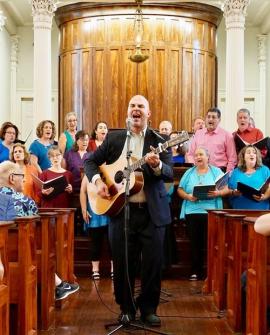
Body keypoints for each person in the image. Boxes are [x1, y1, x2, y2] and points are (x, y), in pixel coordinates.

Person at [84, 95, 173, 327]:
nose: (136, 110)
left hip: (152, 212)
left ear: (148, 114)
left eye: (140, 107)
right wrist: (97, 182)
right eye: (132, 106)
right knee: (123, 262)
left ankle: (149, 309)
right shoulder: (113, 139)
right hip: (120, 211)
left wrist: (157, 165)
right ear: (127, 112)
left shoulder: (159, 140)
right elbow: (90, 162)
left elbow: (169, 173)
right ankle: (126, 308)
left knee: (152, 264)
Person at [0, 161, 79, 300]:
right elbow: (35, 228)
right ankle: (58, 286)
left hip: (4, 258)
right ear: (12, 178)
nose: (24, 179)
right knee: (43, 249)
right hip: (19, 257)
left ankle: (60, 285)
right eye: (21, 175)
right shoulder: (23, 201)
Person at [177, 147, 229, 280]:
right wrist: (188, 197)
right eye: (196, 155)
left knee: (210, 243)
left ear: (208, 157)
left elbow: (226, 189)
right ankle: (195, 271)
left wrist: (218, 193)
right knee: (195, 243)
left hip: (211, 212)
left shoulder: (216, 171)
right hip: (192, 212)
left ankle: (210, 272)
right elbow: (180, 190)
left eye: (201, 155)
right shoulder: (189, 172)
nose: (198, 157)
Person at [80, 175, 113, 279]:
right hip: (93, 210)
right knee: (95, 241)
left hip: (109, 208)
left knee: (112, 242)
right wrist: (84, 210)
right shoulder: (87, 175)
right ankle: (95, 270)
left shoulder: (108, 171)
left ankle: (114, 269)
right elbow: (82, 191)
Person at [186, 108, 237, 172]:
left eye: (213, 117)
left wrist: (228, 174)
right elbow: (190, 154)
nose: (210, 119)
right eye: (208, 117)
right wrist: (194, 168)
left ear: (219, 120)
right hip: (199, 170)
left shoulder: (227, 135)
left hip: (219, 171)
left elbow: (232, 158)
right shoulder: (198, 134)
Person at [228, 145, 270, 209]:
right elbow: (229, 189)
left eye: (254, 152)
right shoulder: (236, 172)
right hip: (239, 211)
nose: (252, 154)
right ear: (243, 157)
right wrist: (234, 192)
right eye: (248, 152)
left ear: (257, 156)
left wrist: (264, 197)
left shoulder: (265, 170)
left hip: (261, 211)